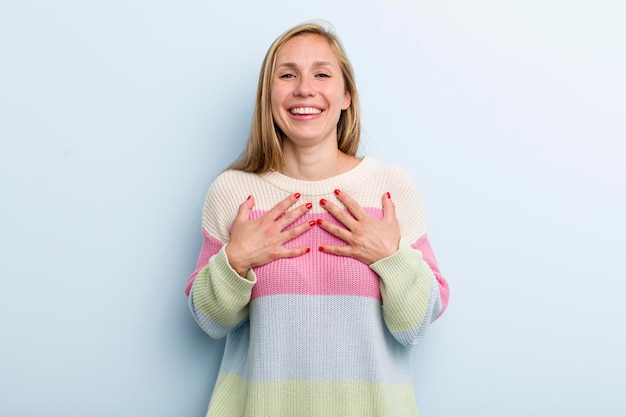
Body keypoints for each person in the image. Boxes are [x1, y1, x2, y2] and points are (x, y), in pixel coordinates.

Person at [185, 21, 450, 417]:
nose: (304, 88)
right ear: (268, 95)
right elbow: (210, 323)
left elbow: (412, 329)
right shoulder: (234, 192)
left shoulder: (391, 189)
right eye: (287, 74)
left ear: (346, 96)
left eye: (322, 74)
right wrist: (236, 261)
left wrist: (389, 257)